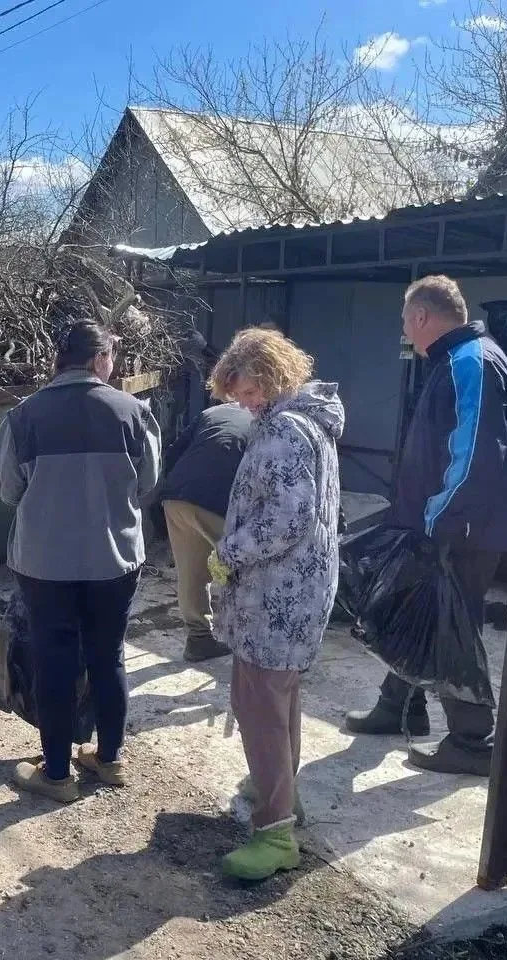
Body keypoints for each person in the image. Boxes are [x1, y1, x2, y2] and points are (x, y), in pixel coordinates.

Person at [345, 276, 507, 777]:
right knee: (415, 610)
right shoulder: (457, 359)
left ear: (421, 316)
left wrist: (438, 519)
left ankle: (473, 740)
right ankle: (398, 706)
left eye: (406, 320)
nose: (405, 330)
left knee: (451, 628)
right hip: (444, 523)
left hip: (458, 530)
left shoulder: (472, 362)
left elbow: (476, 453)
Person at [0, 319, 161, 804]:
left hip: (45, 565)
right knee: (109, 656)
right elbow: (148, 484)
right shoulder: (134, 413)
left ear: (57, 360)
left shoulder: (23, 416)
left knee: (55, 659)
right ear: (100, 358)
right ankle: (110, 759)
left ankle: (58, 774)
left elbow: (9, 491)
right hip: (115, 560)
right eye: (112, 358)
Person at [207, 328, 343, 882]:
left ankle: (275, 833)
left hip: (277, 594)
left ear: (270, 377)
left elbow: (287, 519)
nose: (243, 403)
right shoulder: (308, 421)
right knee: (276, 699)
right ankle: (281, 793)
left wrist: (228, 552)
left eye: (247, 392)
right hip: (294, 590)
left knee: (259, 704)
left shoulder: (285, 429)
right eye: (236, 395)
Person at [157, 400, 253, 662]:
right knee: (249, 569)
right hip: (217, 499)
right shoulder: (264, 422)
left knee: (192, 572)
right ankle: (253, 640)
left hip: (176, 497)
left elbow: (173, 452)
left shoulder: (209, 413)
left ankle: (199, 638)